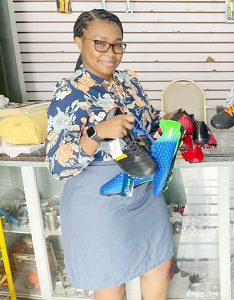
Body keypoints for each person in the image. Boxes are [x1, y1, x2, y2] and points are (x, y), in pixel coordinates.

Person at [46, 9, 173, 300]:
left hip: (143, 190)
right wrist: (97, 132)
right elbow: (58, 164)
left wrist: (169, 119)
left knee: (158, 262)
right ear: (80, 42)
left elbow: (148, 123)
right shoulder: (70, 93)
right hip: (100, 199)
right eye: (100, 43)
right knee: (111, 279)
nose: (111, 53)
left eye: (117, 44)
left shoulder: (128, 82)